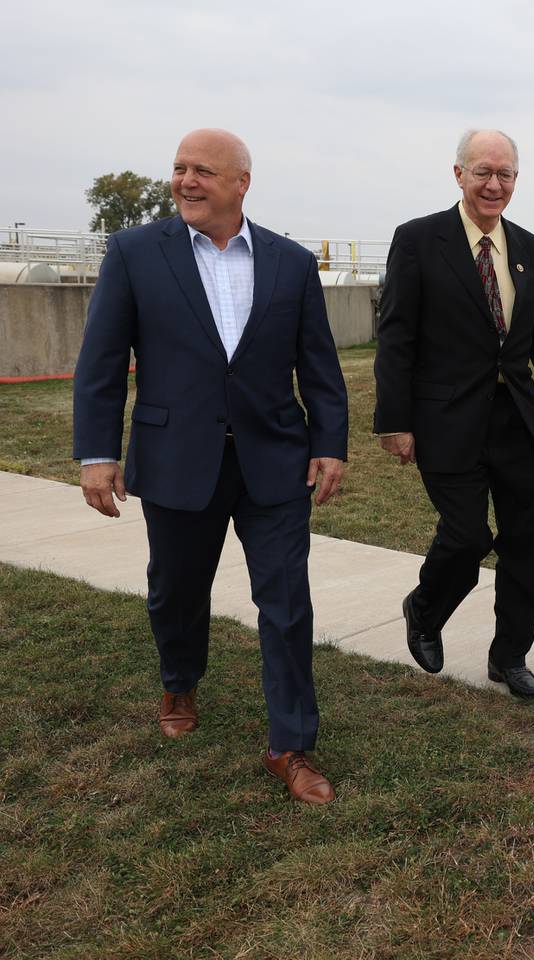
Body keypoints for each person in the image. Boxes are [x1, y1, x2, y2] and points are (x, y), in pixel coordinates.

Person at [71, 129, 349, 805]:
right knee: (176, 590)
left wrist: (330, 442)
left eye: (202, 170)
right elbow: (102, 362)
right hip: (174, 460)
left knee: (286, 603)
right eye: (179, 169)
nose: (185, 181)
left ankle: (290, 745)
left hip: (274, 460)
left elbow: (318, 364)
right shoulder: (136, 253)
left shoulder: (289, 262)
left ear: (240, 183)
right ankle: (180, 680)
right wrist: (98, 455)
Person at [374, 129, 534, 701]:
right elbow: (395, 337)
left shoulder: (531, 250)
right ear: (458, 174)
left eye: (506, 175)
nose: (494, 184)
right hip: (446, 421)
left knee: (525, 541)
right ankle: (424, 608)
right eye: (483, 172)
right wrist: (393, 420)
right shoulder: (420, 240)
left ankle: (510, 657)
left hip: (516, 421)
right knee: (468, 536)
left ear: (516, 180)